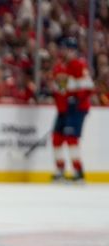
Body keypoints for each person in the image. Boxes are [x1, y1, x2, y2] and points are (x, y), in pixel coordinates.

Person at [51, 37, 93, 183]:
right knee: (56, 138)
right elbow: (60, 89)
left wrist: (77, 96)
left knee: (71, 138)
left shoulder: (79, 65)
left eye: (69, 49)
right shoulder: (59, 66)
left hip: (77, 108)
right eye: (64, 48)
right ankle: (60, 169)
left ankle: (78, 171)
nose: (66, 52)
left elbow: (88, 86)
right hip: (63, 109)